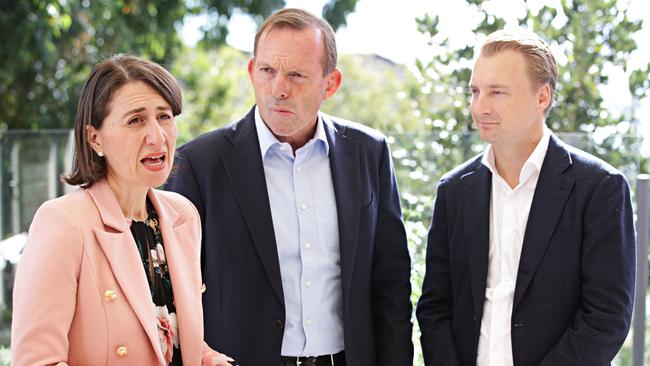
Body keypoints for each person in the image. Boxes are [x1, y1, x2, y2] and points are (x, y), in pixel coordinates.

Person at [166, 7, 413, 366]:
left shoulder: (368, 153)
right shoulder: (199, 164)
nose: (279, 89)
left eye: (297, 75)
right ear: (252, 72)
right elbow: (176, 297)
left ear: (331, 83)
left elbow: (391, 281)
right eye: (267, 71)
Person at [416, 29, 636, 366]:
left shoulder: (600, 188)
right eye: (475, 91)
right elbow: (435, 306)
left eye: (498, 92)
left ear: (542, 97)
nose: (480, 106)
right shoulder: (454, 190)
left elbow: (606, 318)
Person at [11, 55, 234, 366]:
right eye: (136, 120)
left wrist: (212, 359)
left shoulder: (183, 216)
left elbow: (175, 340)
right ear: (94, 138)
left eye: (164, 116)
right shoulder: (64, 222)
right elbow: (37, 361)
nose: (157, 137)